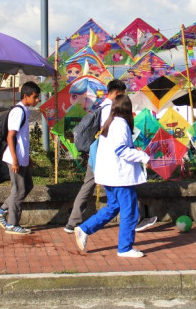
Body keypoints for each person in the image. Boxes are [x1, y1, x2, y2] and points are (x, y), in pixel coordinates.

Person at [64, 79, 157, 234]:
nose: (124, 99)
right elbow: (115, 137)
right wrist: (136, 153)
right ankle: (136, 221)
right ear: (115, 93)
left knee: (93, 188)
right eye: (122, 95)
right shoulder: (110, 109)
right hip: (107, 157)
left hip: (99, 153)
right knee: (126, 186)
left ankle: (73, 222)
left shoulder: (101, 106)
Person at [74, 94, 150, 258]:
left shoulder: (110, 123)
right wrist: (143, 157)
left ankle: (85, 228)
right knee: (129, 211)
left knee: (113, 207)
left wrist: (134, 150)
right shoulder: (121, 124)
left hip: (109, 174)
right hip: (120, 177)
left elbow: (118, 147)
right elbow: (121, 150)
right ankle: (125, 247)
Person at [0, 81, 41, 235]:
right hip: (15, 158)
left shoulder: (25, 111)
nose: (37, 100)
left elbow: (22, 138)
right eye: (35, 97)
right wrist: (15, 159)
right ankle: (12, 224)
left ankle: (1, 211)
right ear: (26, 96)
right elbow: (11, 135)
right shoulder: (18, 111)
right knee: (19, 191)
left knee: (28, 186)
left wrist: (27, 157)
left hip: (21, 157)